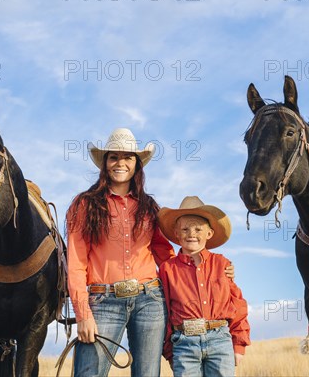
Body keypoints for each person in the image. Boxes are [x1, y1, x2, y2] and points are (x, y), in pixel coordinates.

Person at [66, 128, 234, 376]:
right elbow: (76, 263)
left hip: (149, 301)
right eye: (113, 157)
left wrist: (211, 269)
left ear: (137, 165)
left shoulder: (148, 207)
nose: (120, 163)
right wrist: (82, 313)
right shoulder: (85, 204)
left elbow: (167, 257)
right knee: (88, 372)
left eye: (128, 157)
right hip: (103, 301)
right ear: (105, 163)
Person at [158, 196, 250, 376]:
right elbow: (165, 311)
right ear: (176, 233)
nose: (191, 233)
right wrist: (169, 350)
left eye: (198, 229)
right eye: (185, 229)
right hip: (184, 344)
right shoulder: (167, 269)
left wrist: (238, 345)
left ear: (209, 233)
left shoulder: (222, 264)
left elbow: (237, 304)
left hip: (220, 340)